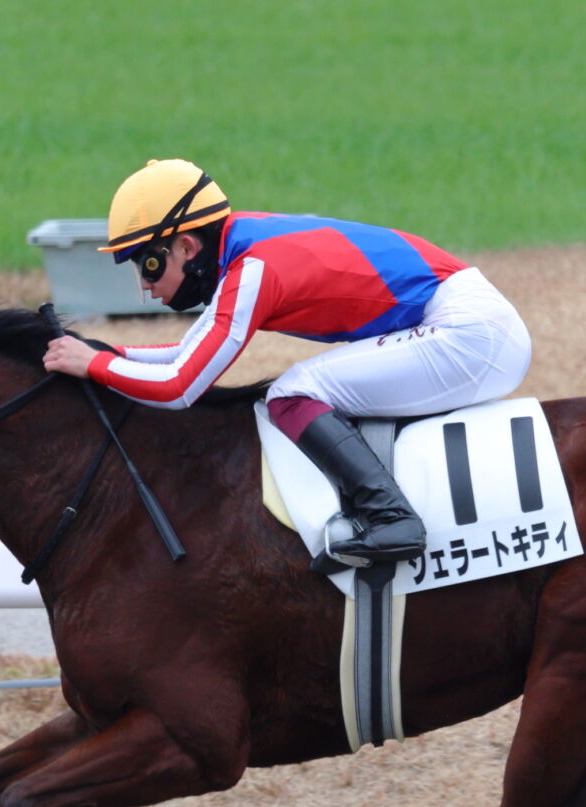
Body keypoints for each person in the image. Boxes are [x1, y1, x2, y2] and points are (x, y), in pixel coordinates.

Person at [43, 158, 532, 570]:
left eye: (145, 263)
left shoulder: (254, 266)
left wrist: (95, 366)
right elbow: (185, 353)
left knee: (294, 391)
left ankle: (393, 519)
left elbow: (179, 387)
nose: (146, 286)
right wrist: (104, 353)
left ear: (187, 246)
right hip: (468, 321)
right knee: (301, 387)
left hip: (470, 333)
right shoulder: (245, 249)